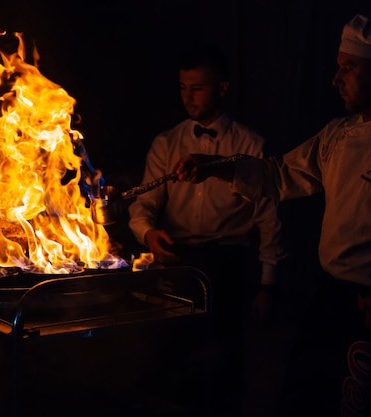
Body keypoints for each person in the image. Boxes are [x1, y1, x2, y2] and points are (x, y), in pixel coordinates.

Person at [175, 13, 371, 417]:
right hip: (330, 299)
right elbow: (281, 174)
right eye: (337, 67)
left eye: (348, 68)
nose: (335, 79)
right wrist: (217, 166)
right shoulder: (337, 134)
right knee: (304, 399)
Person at [127, 41, 287, 413]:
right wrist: (149, 234)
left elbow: (270, 219)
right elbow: (143, 206)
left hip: (229, 265)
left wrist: (268, 285)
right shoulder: (166, 143)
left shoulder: (250, 144)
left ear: (222, 88)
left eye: (197, 88)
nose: (188, 97)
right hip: (178, 261)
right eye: (183, 87)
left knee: (225, 363)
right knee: (169, 362)